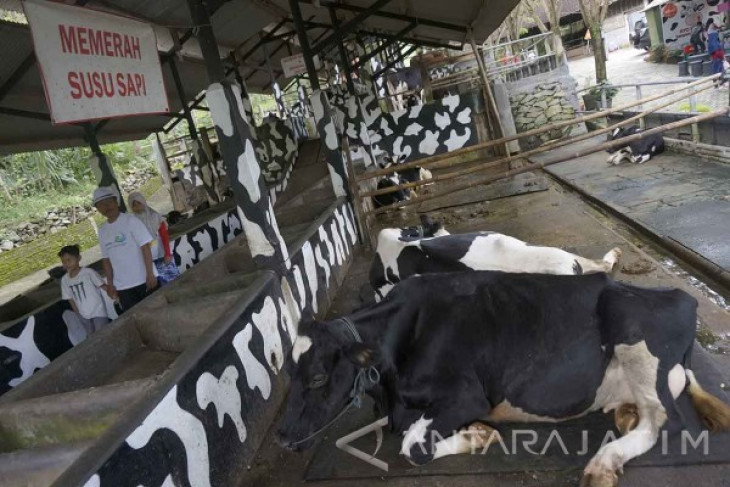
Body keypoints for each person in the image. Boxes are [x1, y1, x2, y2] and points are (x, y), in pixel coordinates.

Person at [93, 186, 158, 312]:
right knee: (136, 319)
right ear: (98, 209)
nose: (106, 206)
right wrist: (111, 285)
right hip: (123, 287)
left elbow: (145, 248)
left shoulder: (131, 221)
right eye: (101, 204)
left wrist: (150, 274)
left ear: (116, 202)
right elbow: (106, 260)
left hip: (144, 280)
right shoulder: (102, 230)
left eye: (109, 202)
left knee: (156, 312)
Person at [58, 245, 110, 344]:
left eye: (69, 260)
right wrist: (78, 314)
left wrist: (115, 295)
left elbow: (102, 286)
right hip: (83, 314)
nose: (66, 264)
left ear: (79, 258)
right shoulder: (65, 280)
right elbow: (70, 299)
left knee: (102, 334)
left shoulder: (88, 273)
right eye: (63, 261)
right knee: (91, 338)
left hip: (98, 311)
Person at [128, 191, 180, 285]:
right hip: (147, 260)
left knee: (174, 281)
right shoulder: (132, 222)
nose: (137, 207)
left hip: (162, 255)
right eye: (134, 205)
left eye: (138, 203)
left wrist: (168, 254)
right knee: (160, 286)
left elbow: (164, 236)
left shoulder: (155, 216)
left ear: (143, 202)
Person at [706, 19, 727, 86]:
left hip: (713, 50)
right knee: (719, 65)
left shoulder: (709, 31)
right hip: (716, 49)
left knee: (716, 66)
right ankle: (720, 80)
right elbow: (716, 27)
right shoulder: (712, 27)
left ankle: (717, 81)